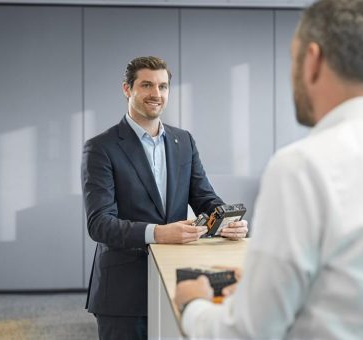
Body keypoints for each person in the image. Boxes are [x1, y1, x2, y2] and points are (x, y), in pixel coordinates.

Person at [174, 0, 363, 339]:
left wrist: (193, 304)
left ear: (312, 60)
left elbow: (245, 334)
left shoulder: (302, 168)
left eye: (293, 60)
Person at [81, 56, 248, 340]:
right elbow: (100, 224)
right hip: (123, 290)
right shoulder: (101, 147)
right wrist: (158, 233)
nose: (156, 94)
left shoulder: (183, 141)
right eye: (146, 85)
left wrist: (229, 221)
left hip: (176, 281)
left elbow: (205, 198)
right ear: (127, 89)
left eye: (163, 86)